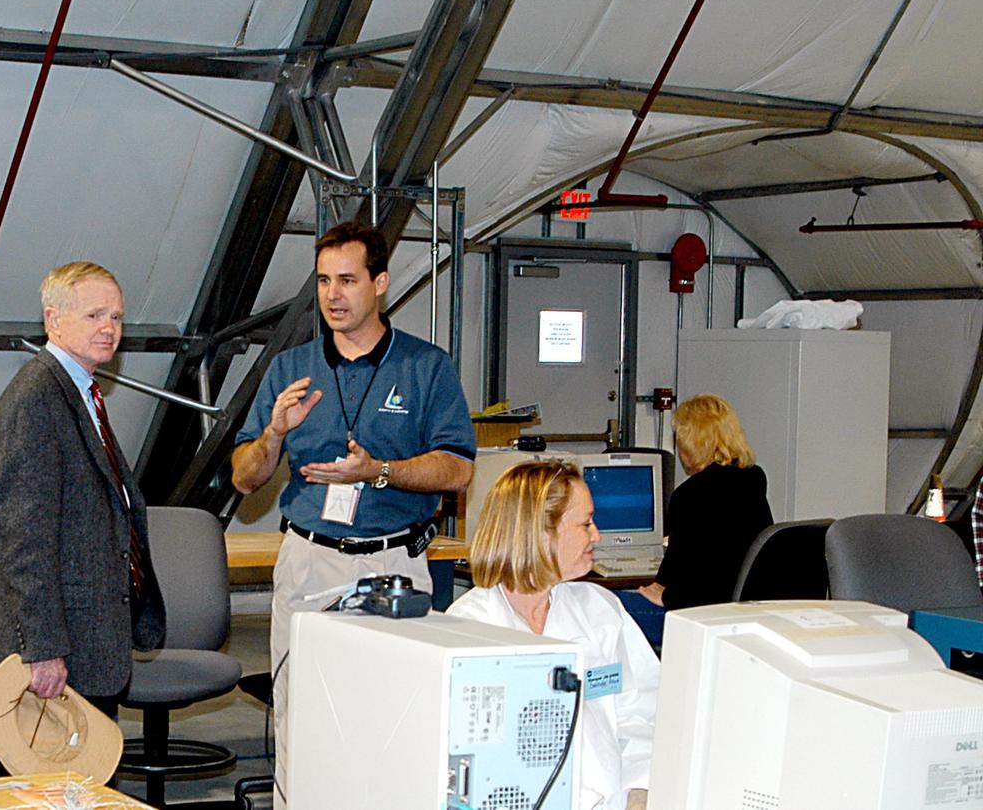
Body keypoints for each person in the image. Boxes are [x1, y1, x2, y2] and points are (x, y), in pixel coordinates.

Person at [231, 220, 476, 806]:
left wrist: (379, 471)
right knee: (298, 711)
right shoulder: (292, 369)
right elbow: (245, 477)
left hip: (395, 562)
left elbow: (458, 469)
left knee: (392, 713)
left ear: (380, 283)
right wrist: (272, 434)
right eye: (322, 281)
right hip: (309, 562)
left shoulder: (426, 367)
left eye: (347, 280)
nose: (333, 295)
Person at [0, 261, 164, 723]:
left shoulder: (80, 392)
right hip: (55, 655)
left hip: (89, 643)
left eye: (117, 317)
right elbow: (25, 539)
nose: (108, 328)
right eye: (94, 316)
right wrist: (42, 648)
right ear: (52, 320)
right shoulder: (35, 400)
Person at [447, 460, 656, 810]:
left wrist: (640, 792)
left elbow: (642, 714)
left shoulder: (600, 609)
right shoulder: (472, 629)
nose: (597, 536)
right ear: (540, 534)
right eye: (585, 523)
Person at [638, 393, 772, 610]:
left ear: (690, 443)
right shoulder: (754, 478)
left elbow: (669, 579)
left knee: (613, 607)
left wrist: (661, 593)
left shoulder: (689, 495)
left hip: (698, 612)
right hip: (746, 609)